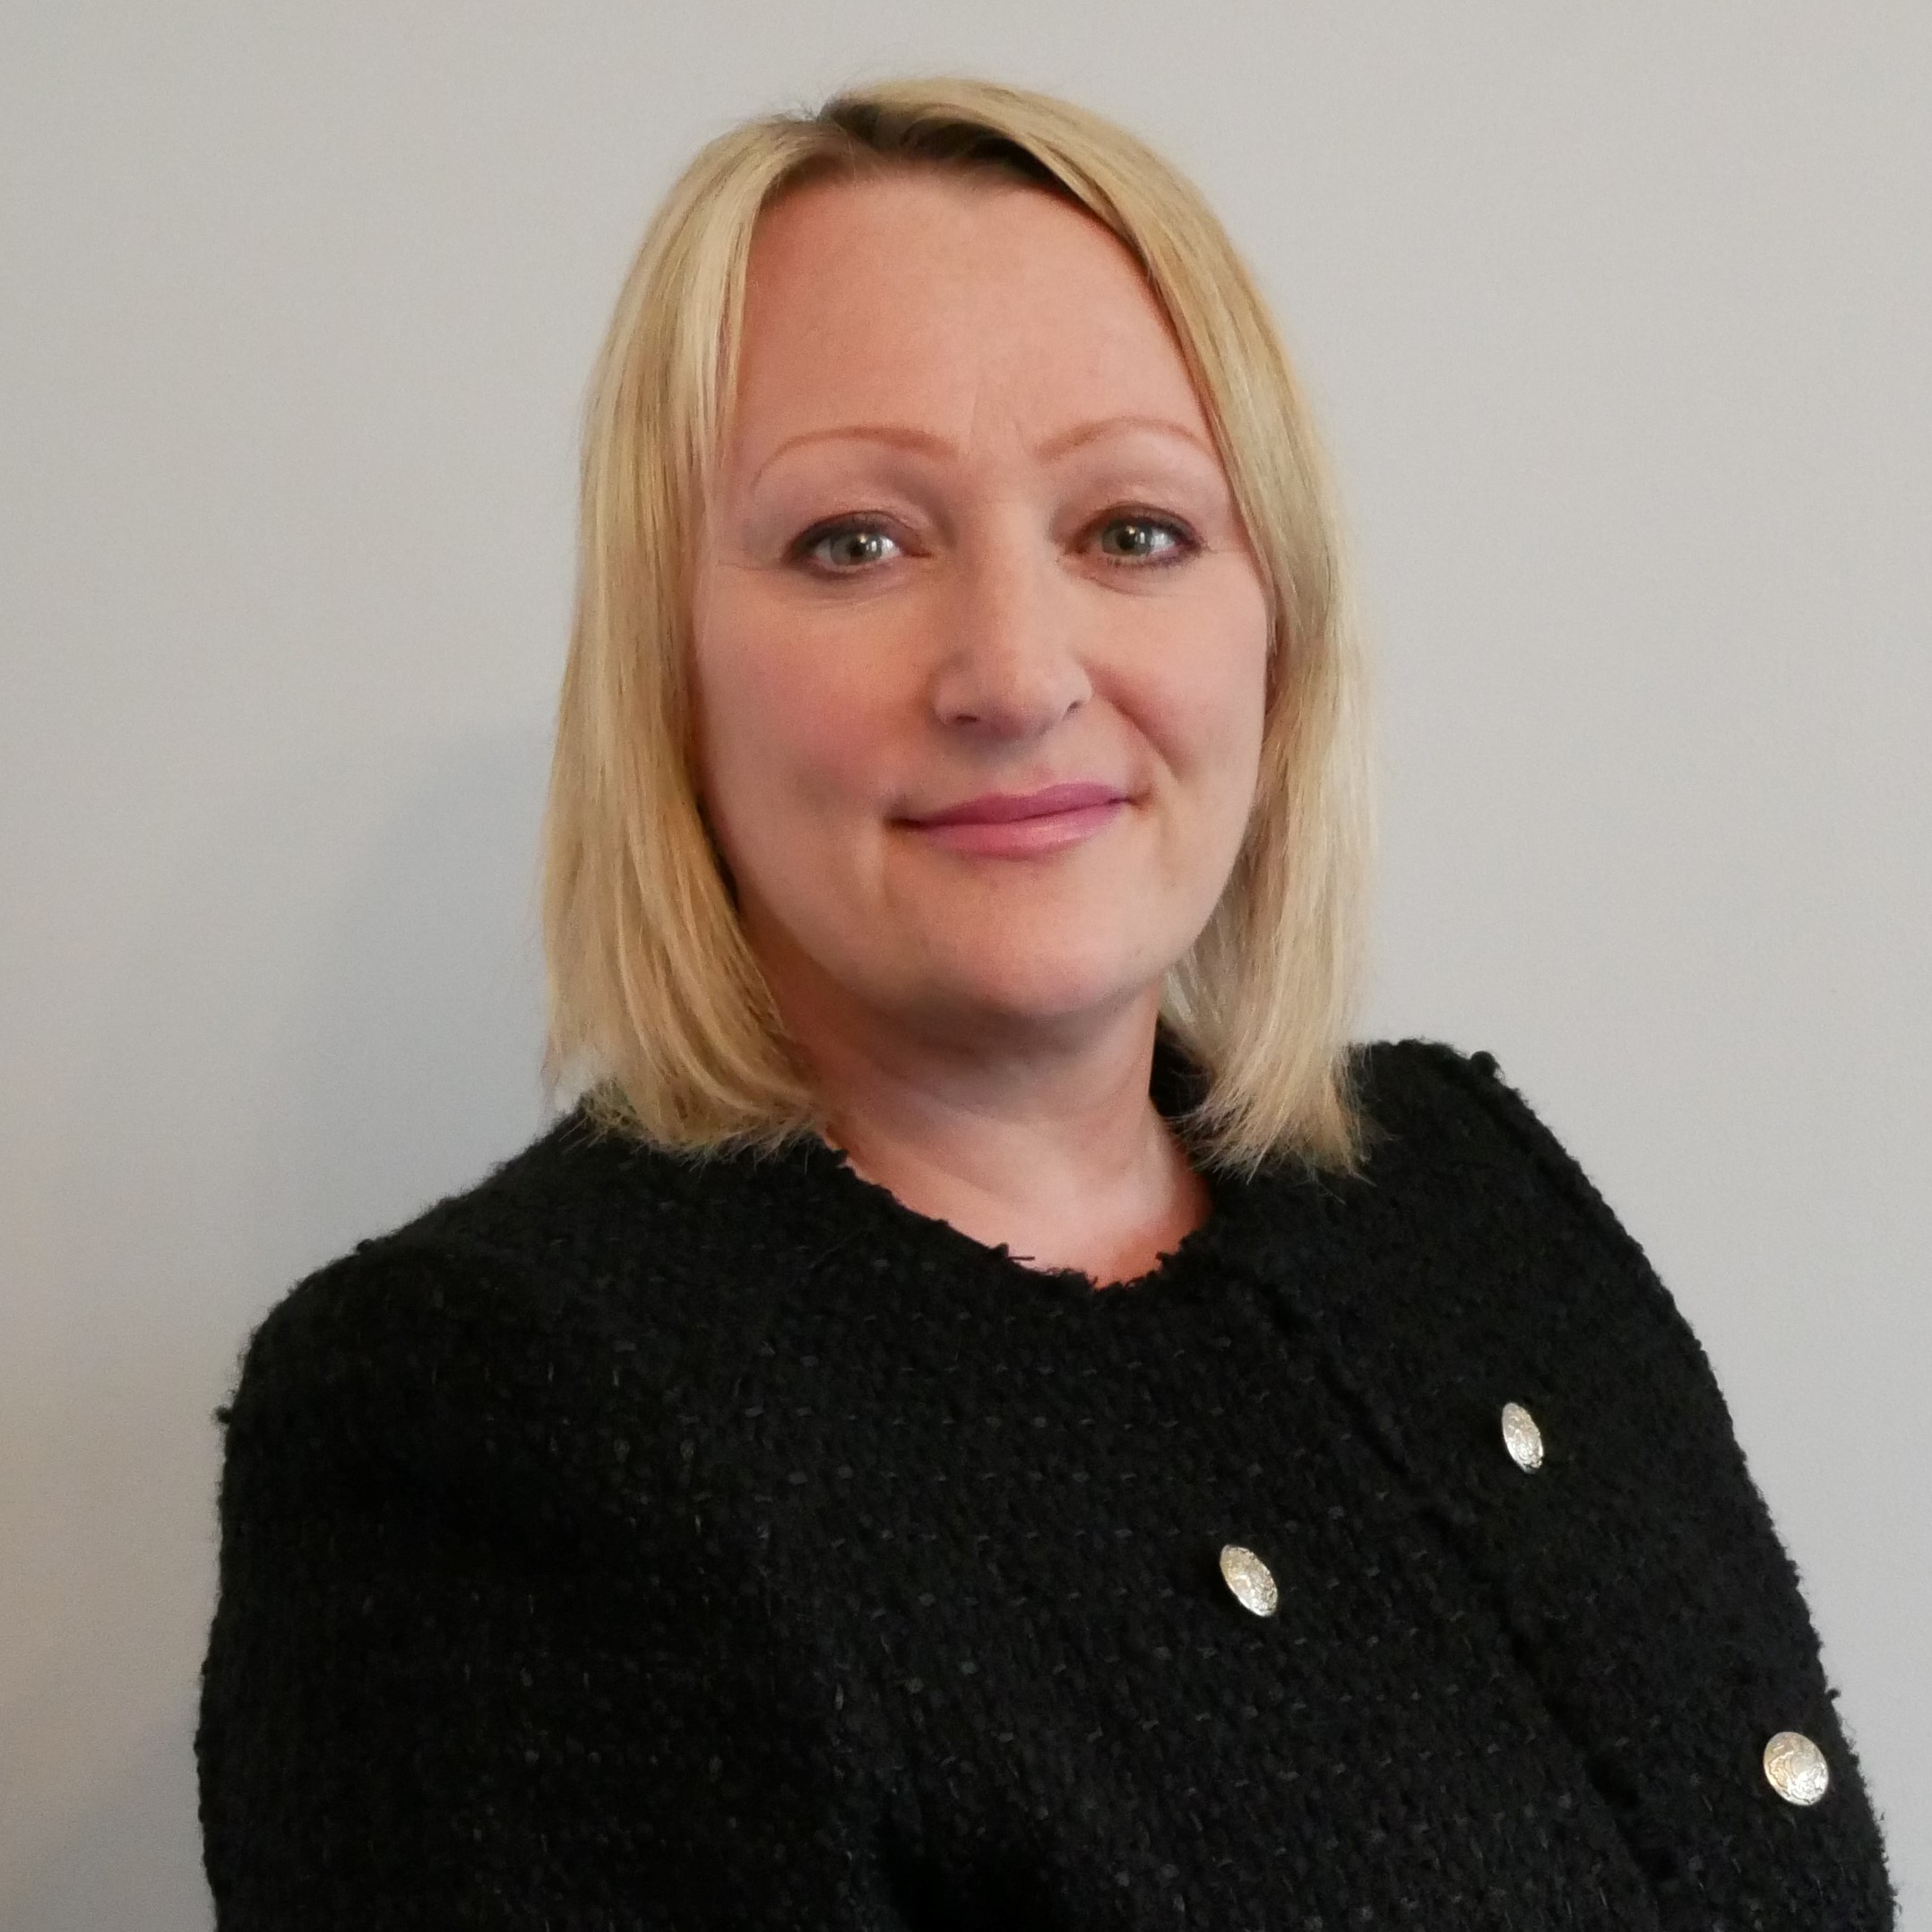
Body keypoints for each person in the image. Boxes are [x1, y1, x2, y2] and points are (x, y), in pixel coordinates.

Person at [194, 74, 1895, 1928]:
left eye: (1132, 531)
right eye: (855, 541)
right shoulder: (484, 1420)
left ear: (1278, 629)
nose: (1014, 673)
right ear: (668, 666)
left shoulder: (1459, 1193)